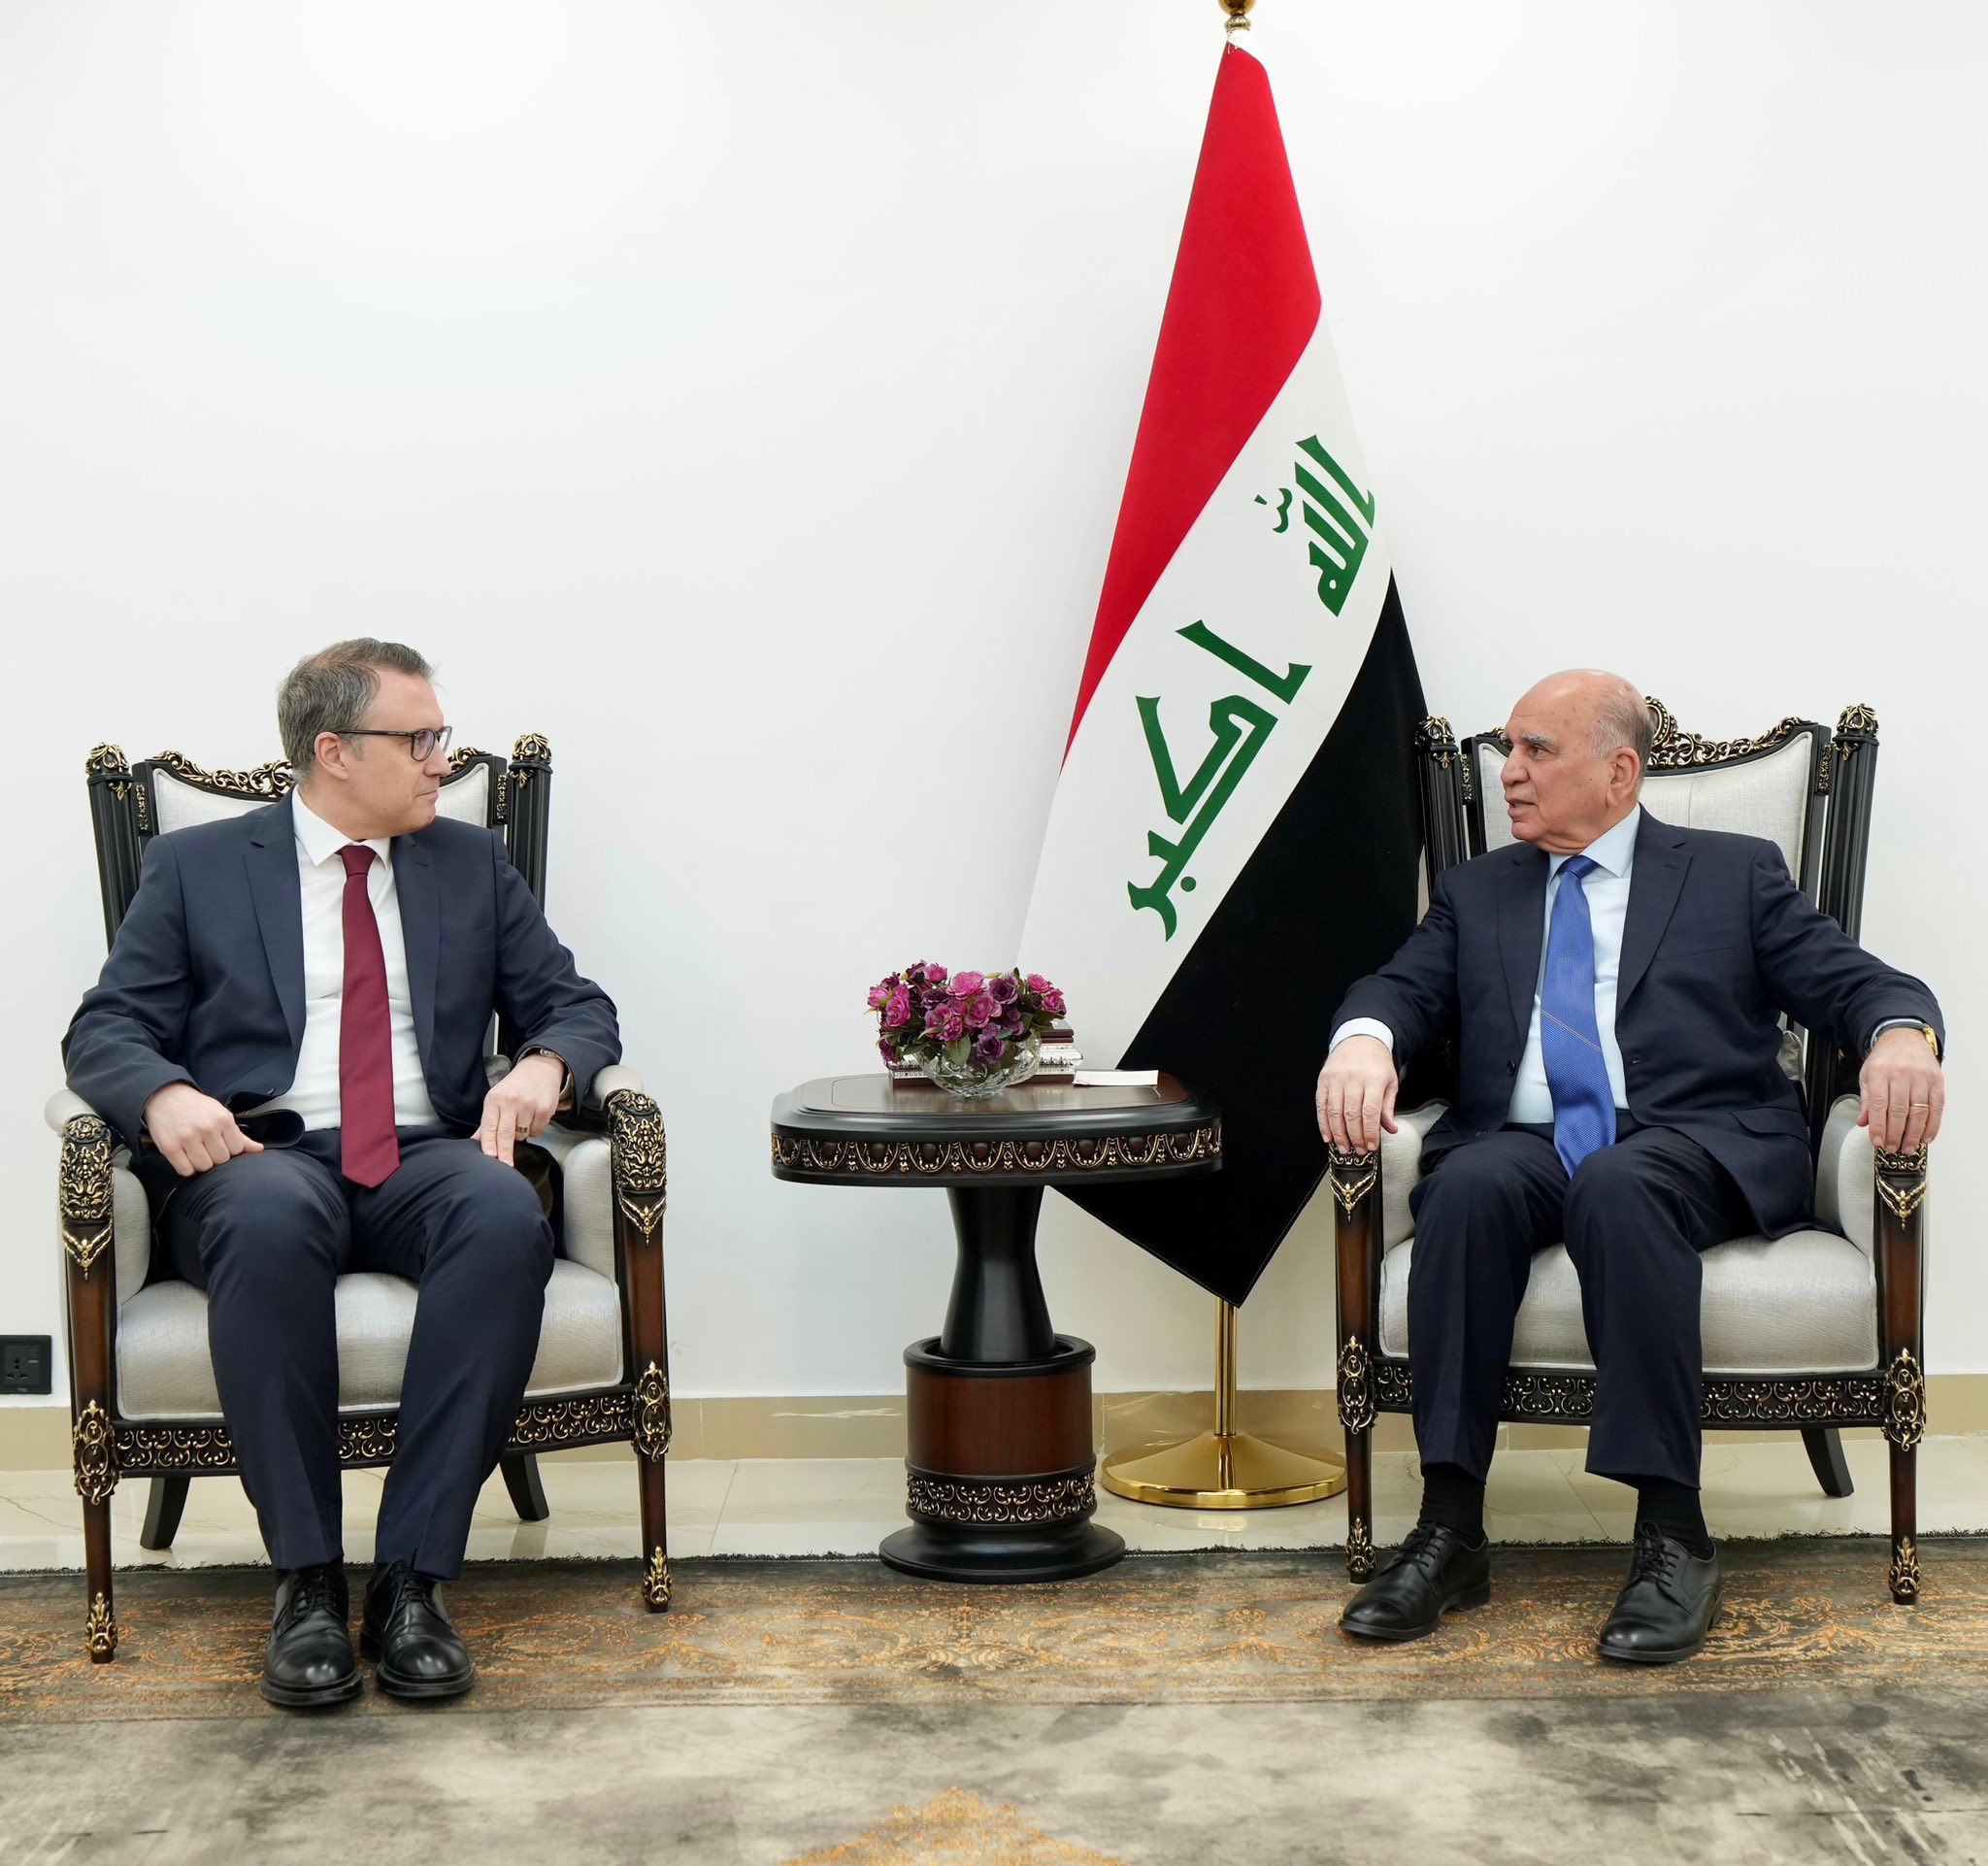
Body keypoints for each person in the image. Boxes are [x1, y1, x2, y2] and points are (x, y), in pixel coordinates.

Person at [1314, 670, 1943, 1663]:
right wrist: (1363, 1041)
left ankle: (1672, 1534)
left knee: (1620, 1183)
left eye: (1536, 750)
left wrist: (1900, 1033)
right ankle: (1449, 1528)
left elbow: (1854, 981)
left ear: (1617, 772)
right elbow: (1398, 988)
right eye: (1508, 749)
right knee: (1467, 1186)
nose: (1508, 771)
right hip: (1524, 1141)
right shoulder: (1480, 889)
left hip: (1692, 1137)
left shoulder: (1733, 873)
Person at [65, 640, 620, 1708]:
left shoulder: (469, 864)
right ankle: (308, 1582)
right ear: (334, 751)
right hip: (259, 1156)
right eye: (419, 739)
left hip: (423, 1154)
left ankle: (412, 1580)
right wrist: (163, 1093)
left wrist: (546, 1063)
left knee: (503, 1211)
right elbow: (105, 1027)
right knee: (269, 1216)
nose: (441, 761)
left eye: (441, 737)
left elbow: (573, 1002)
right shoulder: (197, 867)